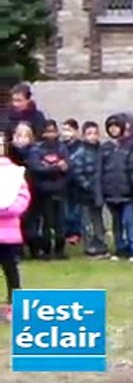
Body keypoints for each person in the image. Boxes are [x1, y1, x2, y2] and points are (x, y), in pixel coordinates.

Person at [100, 114, 133, 262]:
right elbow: (99, 171)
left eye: (116, 127)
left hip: (128, 193)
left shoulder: (132, 146)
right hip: (110, 193)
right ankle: (119, 248)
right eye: (111, 127)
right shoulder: (105, 148)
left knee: (130, 222)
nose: (113, 130)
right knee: (116, 223)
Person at [26, 119, 70, 259]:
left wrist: (50, 168)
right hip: (43, 191)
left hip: (60, 189)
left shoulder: (62, 148)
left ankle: (59, 249)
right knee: (47, 222)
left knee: (60, 223)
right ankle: (46, 249)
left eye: (53, 131)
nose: (50, 135)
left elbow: (68, 166)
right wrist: (56, 168)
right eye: (47, 131)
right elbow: (37, 168)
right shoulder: (36, 149)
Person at [0, 134, 31, 323]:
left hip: (8, 233)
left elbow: (23, 197)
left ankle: (14, 304)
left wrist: (7, 208)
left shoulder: (13, 172)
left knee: (11, 270)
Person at [71, 121, 107, 257]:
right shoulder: (81, 152)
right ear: (83, 135)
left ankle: (100, 242)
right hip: (86, 193)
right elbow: (77, 172)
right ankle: (89, 245)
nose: (92, 137)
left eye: (95, 133)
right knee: (87, 221)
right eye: (89, 133)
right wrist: (87, 186)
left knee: (98, 219)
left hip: (98, 191)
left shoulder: (101, 150)